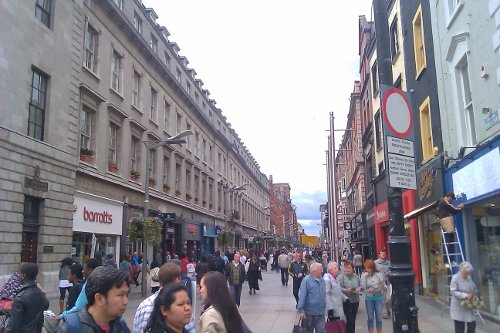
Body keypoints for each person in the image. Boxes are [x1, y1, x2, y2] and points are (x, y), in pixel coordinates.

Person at [55, 266, 130, 333]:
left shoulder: (121, 326)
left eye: (126, 295)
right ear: (99, 299)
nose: (125, 302)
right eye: (120, 295)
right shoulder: (69, 329)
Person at [5, 262, 49, 333]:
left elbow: (13, 326)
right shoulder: (41, 294)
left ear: (23, 275)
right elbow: (46, 305)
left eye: (20, 274)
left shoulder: (20, 298)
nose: (18, 276)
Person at [297, 262, 326, 333]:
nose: (322, 271)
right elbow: (302, 296)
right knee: (308, 331)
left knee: (322, 330)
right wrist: (301, 310)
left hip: (320, 312)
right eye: (320, 269)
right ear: (314, 271)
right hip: (309, 313)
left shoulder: (322, 280)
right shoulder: (306, 280)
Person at [361, 259, 387, 333]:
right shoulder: (364, 275)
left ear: (372, 267)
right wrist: (363, 277)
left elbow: (383, 284)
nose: (367, 270)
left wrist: (384, 287)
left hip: (378, 297)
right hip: (369, 298)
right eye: (366, 268)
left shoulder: (378, 275)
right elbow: (362, 288)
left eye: (369, 268)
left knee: (378, 318)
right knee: (370, 318)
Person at [450, 261, 477, 333]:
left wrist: (473, 292)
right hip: (459, 306)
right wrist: (465, 295)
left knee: (472, 324)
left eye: (469, 273)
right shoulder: (455, 278)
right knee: (460, 327)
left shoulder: (468, 277)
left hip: (468, 305)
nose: (468, 274)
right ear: (461, 270)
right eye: (466, 273)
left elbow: (473, 287)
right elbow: (453, 291)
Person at [338, 261, 361, 333]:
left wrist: (358, 290)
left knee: (353, 319)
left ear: (353, 269)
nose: (347, 269)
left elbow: (361, 286)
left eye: (349, 268)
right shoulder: (341, 277)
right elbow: (339, 288)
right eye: (346, 268)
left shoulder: (356, 276)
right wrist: (346, 290)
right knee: (349, 319)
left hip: (355, 300)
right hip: (346, 301)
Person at [374, 251, 391, 319]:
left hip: (388, 282)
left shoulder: (389, 263)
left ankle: (388, 309)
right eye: (381, 254)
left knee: (388, 298)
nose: (383, 255)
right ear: (379, 255)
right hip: (380, 283)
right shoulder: (375, 263)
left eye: (384, 254)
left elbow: (391, 270)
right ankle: (384, 312)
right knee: (382, 299)